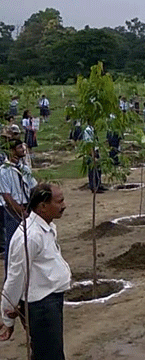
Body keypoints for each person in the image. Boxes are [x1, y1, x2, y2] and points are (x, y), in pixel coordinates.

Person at [0, 184, 71, 360]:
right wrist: (7, 317)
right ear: (42, 206)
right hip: (42, 307)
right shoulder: (30, 236)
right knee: (49, 355)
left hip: (51, 301)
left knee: (48, 352)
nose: (64, 205)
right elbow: (15, 278)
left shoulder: (46, 227)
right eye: (59, 201)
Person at [1, 139, 38, 271]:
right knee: (12, 243)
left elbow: (33, 187)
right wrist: (20, 211)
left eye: (22, 147)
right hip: (13, 210)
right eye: (19, 147)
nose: (23, 149)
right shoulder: (4, 171)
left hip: (27, 205)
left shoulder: (24, 168)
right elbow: (7, 196)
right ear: (12, 151)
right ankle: (10, 276)